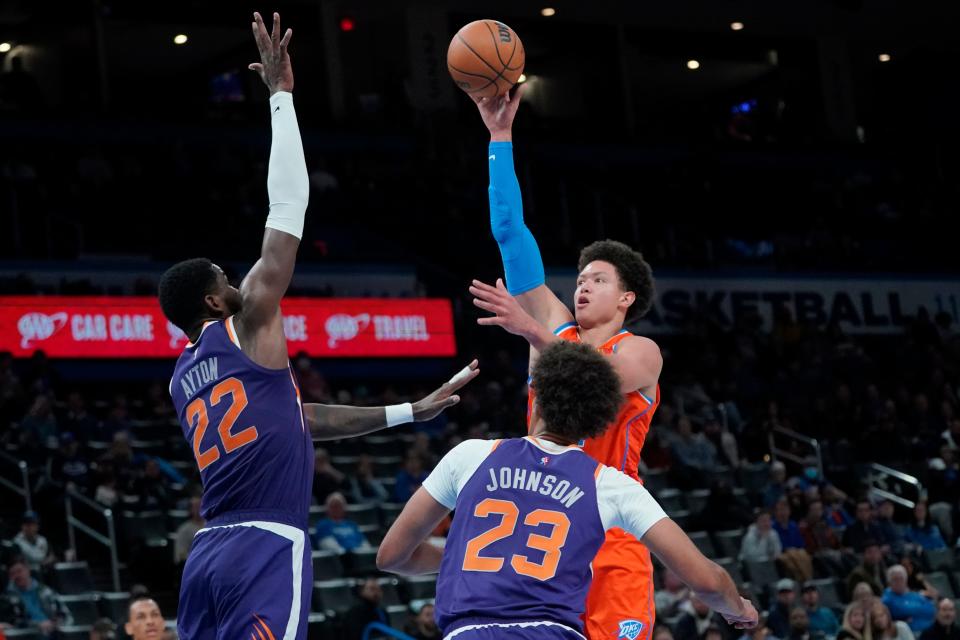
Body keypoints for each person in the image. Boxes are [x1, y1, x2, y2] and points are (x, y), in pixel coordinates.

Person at [162, 14, 480, 640]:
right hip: (264, 543)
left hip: (207, 556)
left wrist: (405, 412)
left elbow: (299, 420)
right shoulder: (247, 316)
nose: (241, 279)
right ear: (215, 299)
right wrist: (282, 98)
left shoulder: (181, 379)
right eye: (229, 277)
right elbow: (288, 208)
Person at [377, 342, 757, 640]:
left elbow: (392, 556)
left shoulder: (472, 455)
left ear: (536, 397)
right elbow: (706, 581)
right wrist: (738, 607)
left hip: (467, 631)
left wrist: (467, 557)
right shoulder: (609, 484)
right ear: (597, 422)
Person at [466, 85, 665, 640]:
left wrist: (530, 329)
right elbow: (510, 233)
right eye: (579, 278)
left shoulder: (640, 351)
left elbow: (593, 378)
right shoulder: (557, 326)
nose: (582, 285)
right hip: (541, 523)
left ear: (626, 298)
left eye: (598, 279)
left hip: (611, 521)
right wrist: (499, 138)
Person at [3, 557, 72, 637]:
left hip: (53, 633)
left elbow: (65, 614)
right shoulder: (7, 598)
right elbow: (13, 622)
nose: (17, 575)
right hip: (27, 636)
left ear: (27, 569)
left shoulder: (46, 591)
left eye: (19, 571)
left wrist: (55, 623)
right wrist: (37, 625)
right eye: (13, 573)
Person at [882, 565, 935, 633]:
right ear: (889, 582)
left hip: (928, 631)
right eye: (895, 579)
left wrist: (913, 611)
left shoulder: (914, 594)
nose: (899, 582)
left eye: (901, 578)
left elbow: (931, 609)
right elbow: (903, 610)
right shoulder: (887, 598)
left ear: (906, 580)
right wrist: (919, 609)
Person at [173, 496, 205, 565]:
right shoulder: (184, 529)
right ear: (190, 509)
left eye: (201, 505)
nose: (199, 508)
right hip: (193, 566)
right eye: (196, 506)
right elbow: (181, 555)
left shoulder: (211, 525)